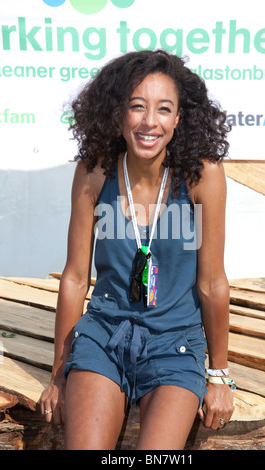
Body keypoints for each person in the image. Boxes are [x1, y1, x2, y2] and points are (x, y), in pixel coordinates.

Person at [40, 49, 234, 450]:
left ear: (179, 118)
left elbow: (213, 282)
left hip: (175, 344)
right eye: (137, 107)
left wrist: (219, 375)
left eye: (164, 109)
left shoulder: (202, 175)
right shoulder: (95, 170)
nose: (150, 122)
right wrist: (59, 373)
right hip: (103, 337)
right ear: (117, 113)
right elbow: (75, 277)